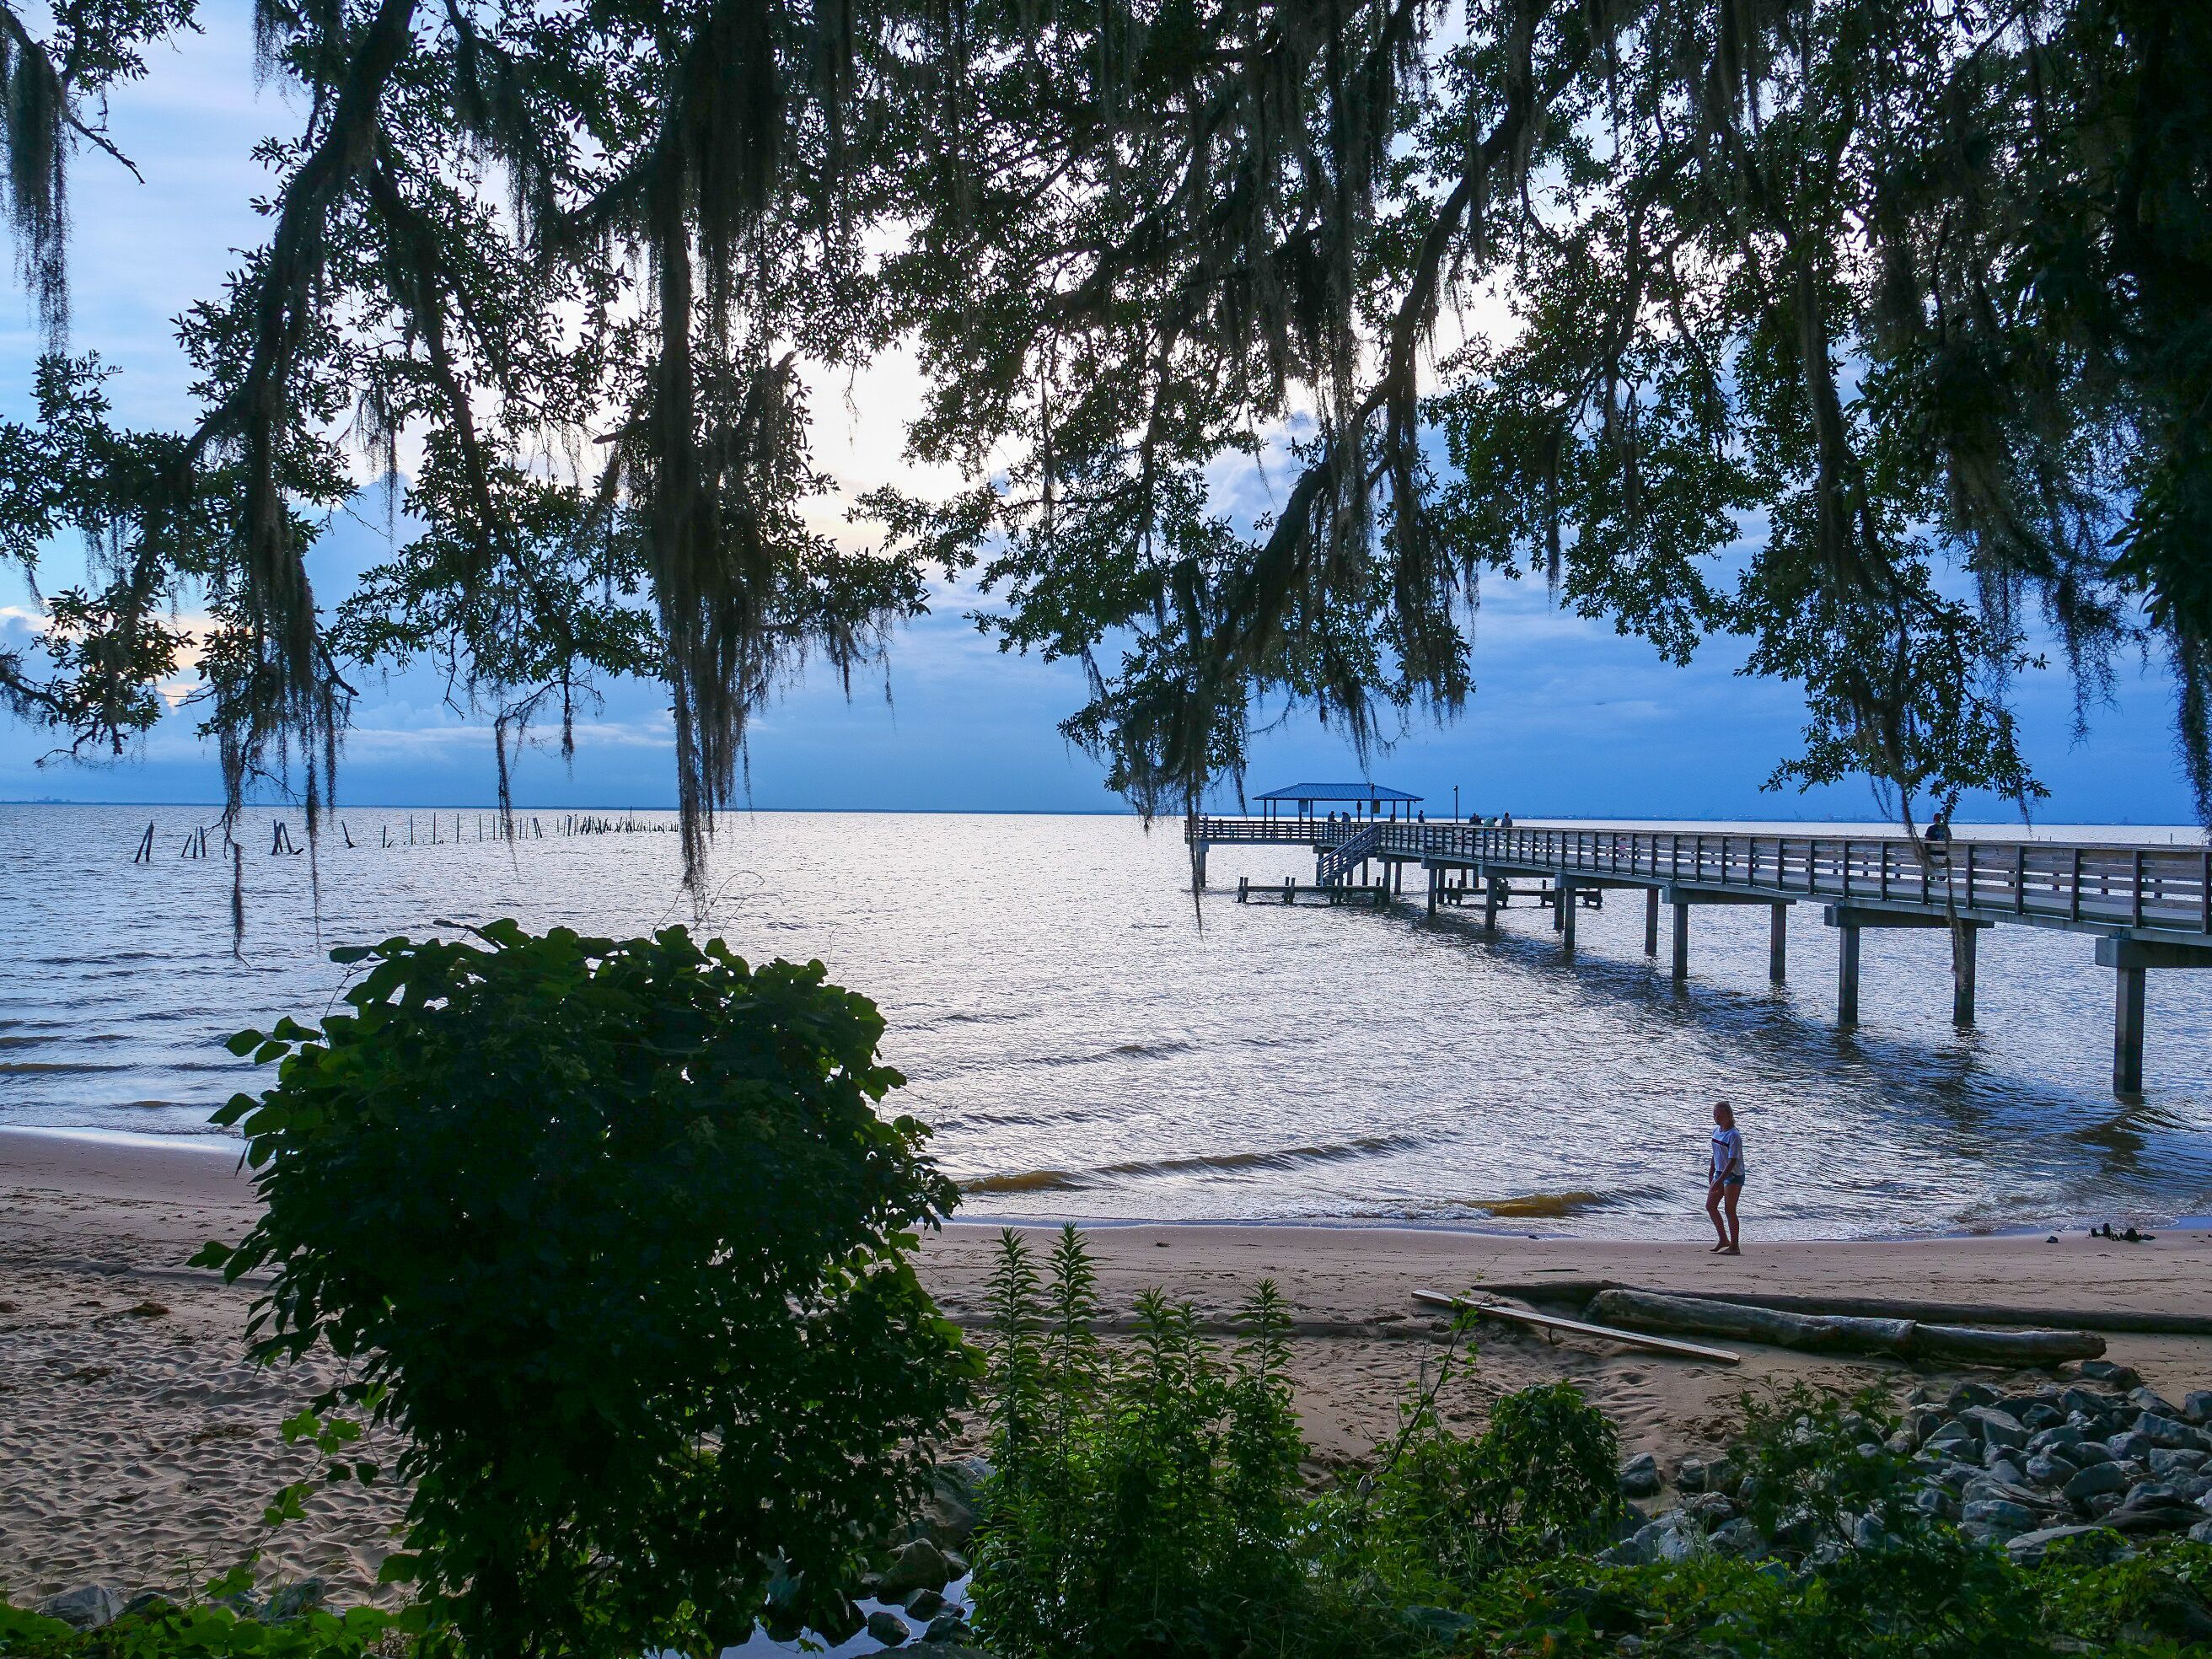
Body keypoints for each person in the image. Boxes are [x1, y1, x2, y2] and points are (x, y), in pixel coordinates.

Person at [1706, 1101, 1744, 1254]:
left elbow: (1733, 1160)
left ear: (1729, 1115)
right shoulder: (1716, 1131)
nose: (1716, 1117)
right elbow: (1715, 1152)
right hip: (1719, 1172)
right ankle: (1723, 1239)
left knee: (1730, 1210)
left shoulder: (1734, 1135)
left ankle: (1734, 1246)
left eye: (1720, 1115)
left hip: (1733, 1175)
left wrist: (1721, 1180)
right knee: (1710, 1206)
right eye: (1715, 1114)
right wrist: (1712, 1171)